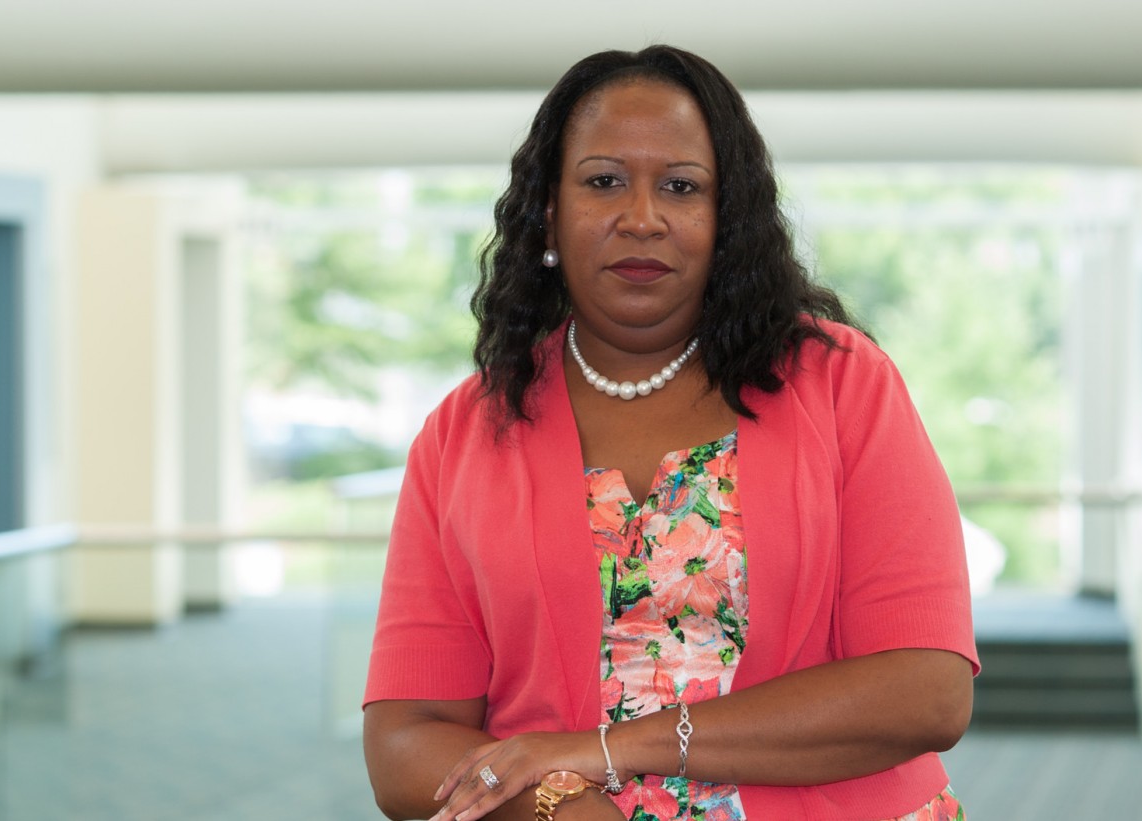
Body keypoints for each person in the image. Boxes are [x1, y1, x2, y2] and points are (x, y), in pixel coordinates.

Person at [362, 45, 978, 821]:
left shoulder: (842, 384)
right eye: (604, 181)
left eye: (681, 187)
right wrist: (556, 802)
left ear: (726, 220)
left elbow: (926, 692)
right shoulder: (466, 432)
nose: (642, 217)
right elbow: (403, 738)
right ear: (548, 211)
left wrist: (610, 749)